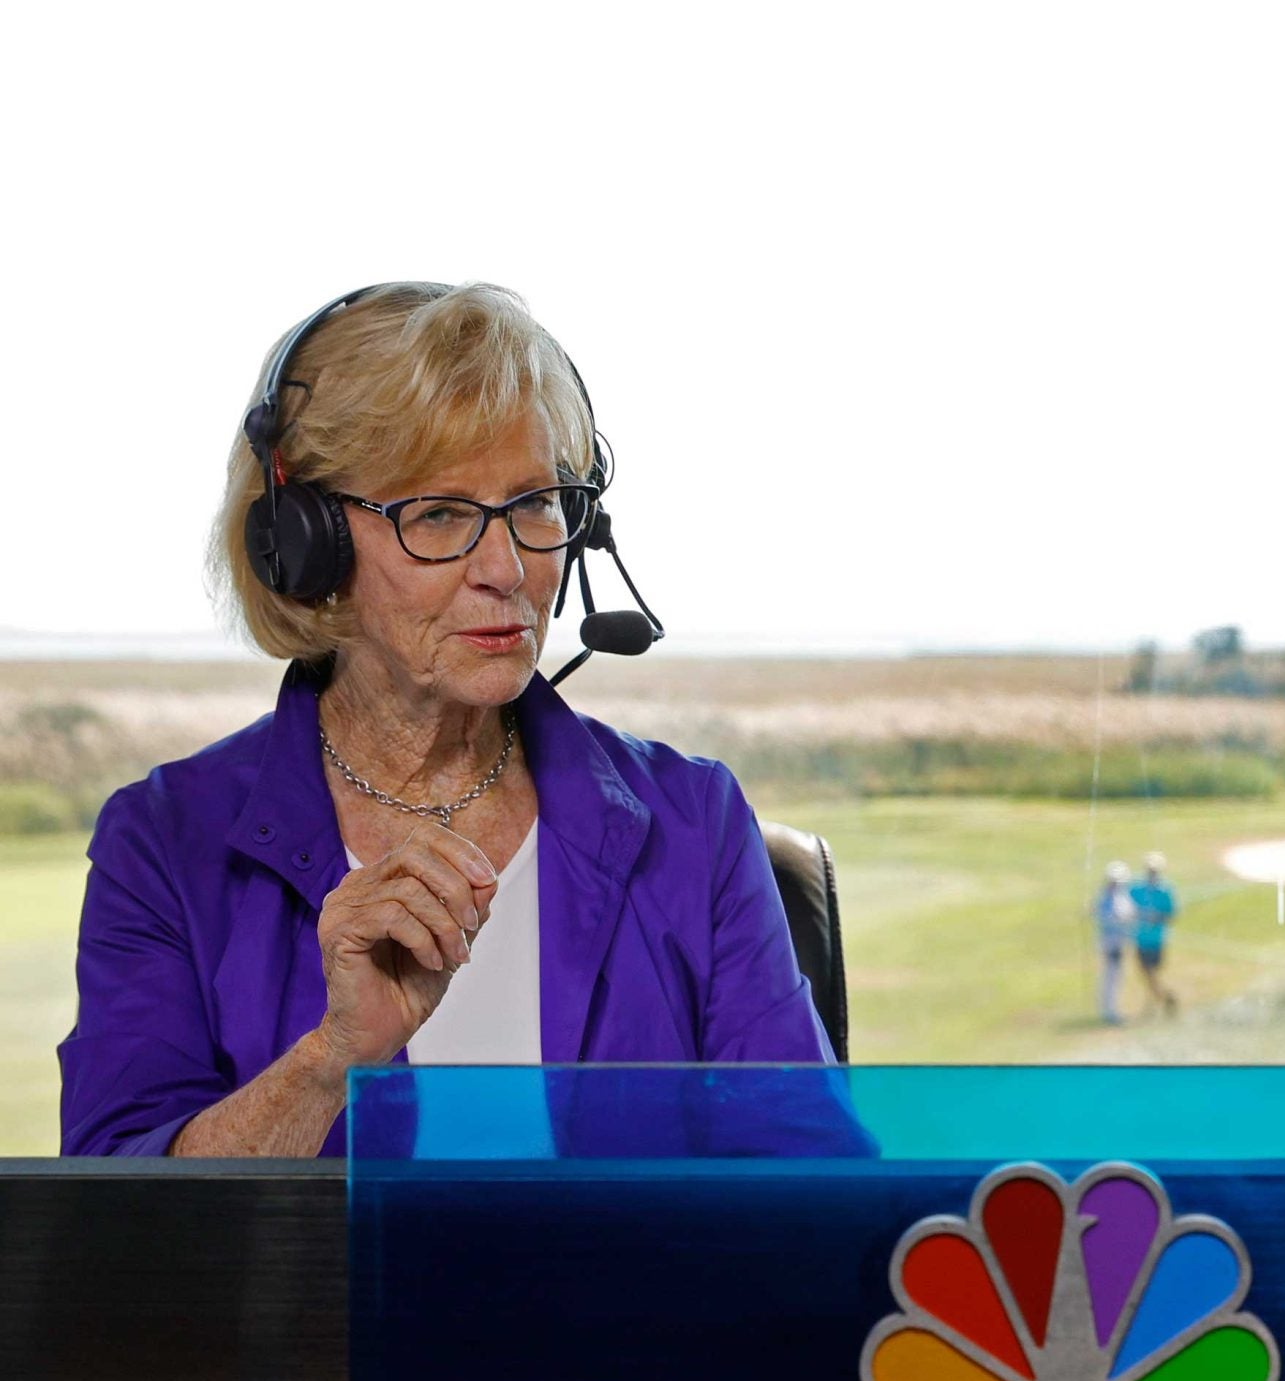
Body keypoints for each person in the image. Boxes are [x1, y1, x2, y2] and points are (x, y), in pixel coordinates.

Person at [57, 283, 838, 1160]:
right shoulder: (164, 843)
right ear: (305, 543)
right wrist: (332, 1059)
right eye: (440, 514)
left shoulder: (694, 825)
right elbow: (120, 1229)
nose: (505, 568)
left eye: (536, 503)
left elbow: (814, 1192)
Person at [1129, 851, 1180, 1016]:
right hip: (1140, 937)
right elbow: (1127, 907)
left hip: (1156, 938)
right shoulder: (1137, 888)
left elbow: (1171, 913)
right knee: (1147, 973)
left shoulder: (1165, 890)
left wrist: (1156, 917)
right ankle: (1159, 1000)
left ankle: (1163, 998)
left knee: (1150, 972)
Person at [1092, 861, 1137, 1024]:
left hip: (1119, 942)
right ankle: (1109, 1011)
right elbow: (1108, 919)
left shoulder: (1120, 896)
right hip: (1111, 943)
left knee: (1116, 977)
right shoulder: (1106, 898)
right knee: (1111, 978)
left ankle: (1112, 1009)